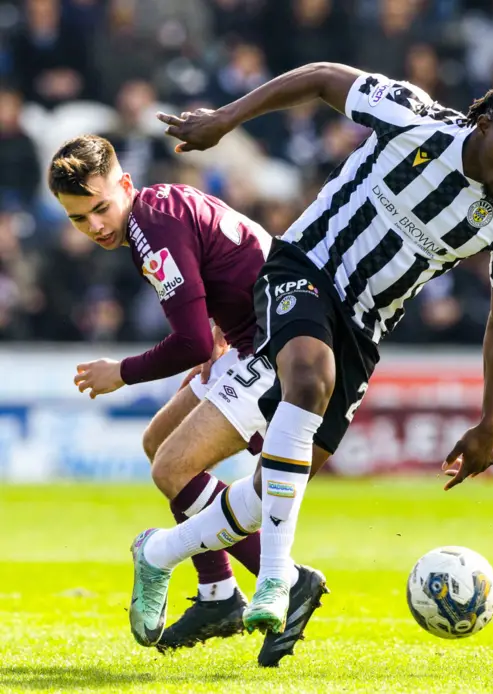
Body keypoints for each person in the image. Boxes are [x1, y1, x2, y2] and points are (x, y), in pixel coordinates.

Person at [138, 61, 493, 645]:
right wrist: (226, 118)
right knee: (307, 381)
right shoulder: (412, 120)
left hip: (363, 331)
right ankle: (275, 584)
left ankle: (159, 552)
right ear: (482, 124)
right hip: (303, 268)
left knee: (274, 490)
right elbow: (320, 78)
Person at [47, 135, 328, 661]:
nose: (96, 227)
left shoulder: (149, 229)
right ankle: (219, 595)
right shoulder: (159, 206)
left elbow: (191, 342)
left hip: (274, 343)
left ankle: (288, 581)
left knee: (171, 467)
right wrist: (219, 331)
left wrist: (122, 373)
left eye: (102, 208)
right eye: (79, 219)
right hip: (248, 334)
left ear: (125, 185)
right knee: (158, 442)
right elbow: (231, 264)